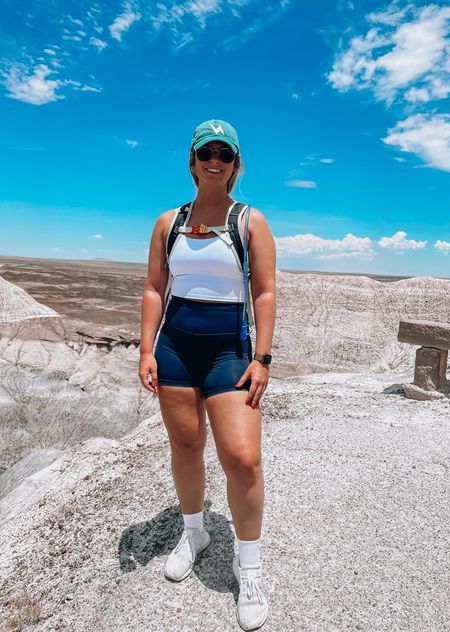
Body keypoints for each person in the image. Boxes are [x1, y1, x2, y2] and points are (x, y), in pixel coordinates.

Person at [139, 119, 276, 631]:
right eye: (205, 151)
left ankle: (250, 565)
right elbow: (155, 288)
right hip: (174, 346)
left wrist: (261, 358)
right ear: (192, 162)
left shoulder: (250, 221)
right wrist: (146, 348)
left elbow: (264, 292)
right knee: (186, 446)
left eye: (225, 152)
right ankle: (194, 531)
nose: (214, 158)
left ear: (235, 165)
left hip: (228, 350)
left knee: (242, 459)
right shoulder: (168, 222)